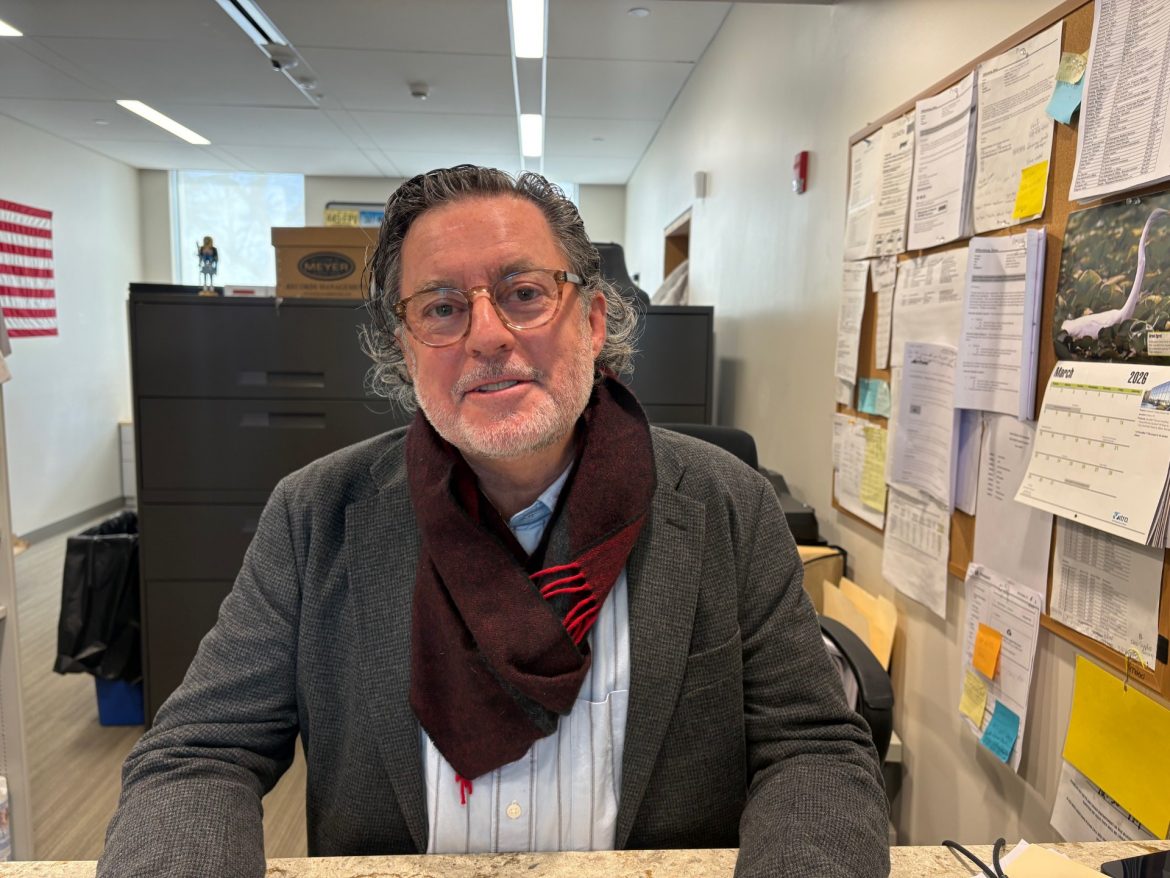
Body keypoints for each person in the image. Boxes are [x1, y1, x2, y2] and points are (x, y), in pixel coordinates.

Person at [98, 166, 889, 877]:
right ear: (406, 349)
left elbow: (813, 747)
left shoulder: (726, 506)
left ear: (593, 321)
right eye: (442, 308)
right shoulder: (316, 516)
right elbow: (198, 752)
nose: (486, 336)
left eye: (524, 294)